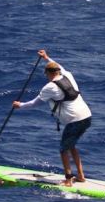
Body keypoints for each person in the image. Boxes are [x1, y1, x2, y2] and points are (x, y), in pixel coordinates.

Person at [13, 49, 92, 186]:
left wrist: (20, 105)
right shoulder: (67, 75)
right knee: (71, 145)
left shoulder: (49, 87)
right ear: (58, 71)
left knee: (63, 149)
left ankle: (68, 180)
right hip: (87, 116)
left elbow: (34, 103)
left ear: (49, 73)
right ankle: (80, 176)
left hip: (75, 120)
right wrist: (46, 57)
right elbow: (59, 65)